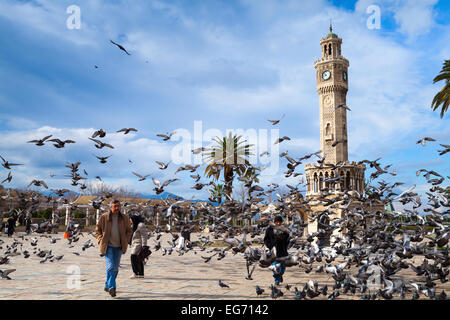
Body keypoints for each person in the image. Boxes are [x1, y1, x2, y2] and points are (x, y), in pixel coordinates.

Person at [95, 200, 132, 297]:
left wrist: (126, 240)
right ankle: (112, 288)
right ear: (110, 207)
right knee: (111, 267)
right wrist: (100, 240)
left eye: (118, 206)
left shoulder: (124, 218)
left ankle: (107, 284)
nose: (117, 208)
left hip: (119, 247)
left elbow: (129, 230)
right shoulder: (104, 217)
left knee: (115, 269)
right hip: (108, 246)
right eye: (115, 206)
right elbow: (97, 230)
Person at [264, 215, 290, 285]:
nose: (278, 223)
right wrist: (269, 246)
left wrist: (282, 239)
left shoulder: (284, 230)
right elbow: (266, 239)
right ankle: (277, 280)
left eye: (279, 222)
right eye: (277, 222)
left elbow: (288, 239)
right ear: (274, 222)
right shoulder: (269, 229)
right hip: (274, 251)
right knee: (275, 266)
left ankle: (279, 275)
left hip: (282, 251)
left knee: (283, 268)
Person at [129, 214, 149, 279]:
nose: (130, 220)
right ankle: (140, 274)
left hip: (138, 244)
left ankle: (135, 272)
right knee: (139, 258)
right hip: (134, 243)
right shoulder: (134, 225)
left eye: (130, 219)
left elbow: (144, 236)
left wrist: (144, 245)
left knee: (133, 256)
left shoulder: (141, 225)